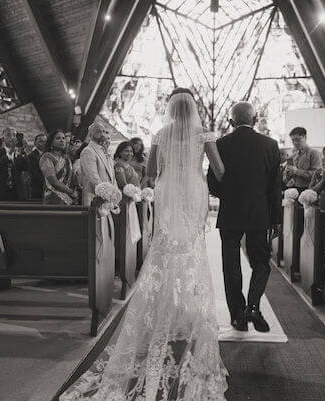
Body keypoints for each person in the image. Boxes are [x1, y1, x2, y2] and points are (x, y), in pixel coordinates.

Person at [60, 87, 228, 400]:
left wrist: (168, 172)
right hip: (193, 191)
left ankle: (165, 308)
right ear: (192, 109)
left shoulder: (161, 134)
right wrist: (201, 173)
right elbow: (219, 170)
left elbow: (150, 173)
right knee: (191, 250)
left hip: (168, 193)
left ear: (170, 109)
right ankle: (185, 311)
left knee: (165, 250)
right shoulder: (204, 133)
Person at [208, 101, 282, 333]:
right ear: (255, 118)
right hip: (260, 213)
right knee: (261, 262)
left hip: (230, 213)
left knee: (231, 266)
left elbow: (212, 182)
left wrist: (228, 195)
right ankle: (253, 306)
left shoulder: (221, 144)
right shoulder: (270, 145)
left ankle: (238, 316)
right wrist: (276, 218)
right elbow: (275, 186)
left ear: (231, 121)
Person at [79, 122, 116, 206]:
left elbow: (112, 177)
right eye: (98, 131)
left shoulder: (105, 151)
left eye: (104, 131)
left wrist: (114, 195)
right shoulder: (88, 151)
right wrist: (106, 194)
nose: (102, 134)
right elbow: (93, 177)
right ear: (90, 135)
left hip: (108, 199)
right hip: (95, 198)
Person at [0, 127, 28, 201]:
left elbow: (26, 167)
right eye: (9, 135)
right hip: (0, 192)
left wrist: (23, 151)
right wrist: (10, 152)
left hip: (18, 193)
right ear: (3, 139)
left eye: (14, 135)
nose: (12, 138)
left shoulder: (19, 153)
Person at [39, 130, 77, 205]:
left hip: (68, 199)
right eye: (58, 138)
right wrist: (71, 192)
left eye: (63, 138)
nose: (62, 140)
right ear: (51, 142)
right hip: (53, 198)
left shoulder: (67, 159)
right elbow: (53, 181)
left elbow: (72, 179)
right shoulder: (47, 157)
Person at [283, 127, 322, 191]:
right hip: (293, 189)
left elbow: (317, 175)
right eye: (292, 140)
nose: (295, 143)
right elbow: (285, 178)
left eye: (297, 139)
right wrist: (288, 176)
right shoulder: (293, 155)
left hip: (308, 190)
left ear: (305, 137)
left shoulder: (314, 153)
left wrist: (297, 171)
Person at [27, 133, 46, 200]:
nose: (44, 143)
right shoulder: (31, 156)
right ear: (35, 143)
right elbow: (34, 173)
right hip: (37, 188)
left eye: (45, 141)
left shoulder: (48, 155)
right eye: (41, 141)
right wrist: (47, 182)